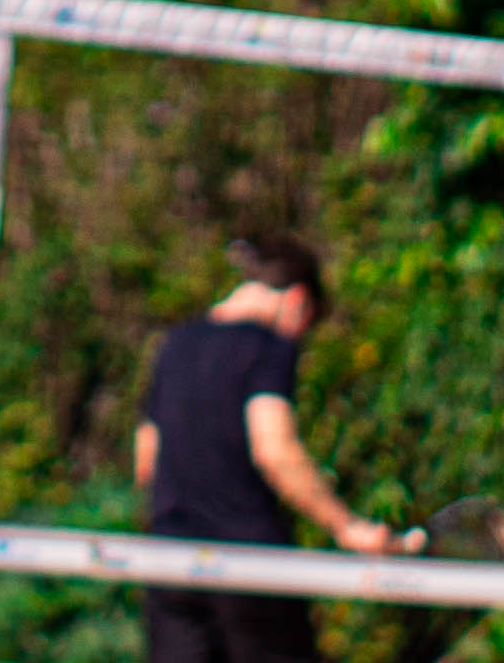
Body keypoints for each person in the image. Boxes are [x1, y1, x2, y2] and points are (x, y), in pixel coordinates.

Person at [134, 237, 416, 663]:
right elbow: (273, 448)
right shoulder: (268, 345)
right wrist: (346, 526)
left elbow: (146, 461)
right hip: (252, 566)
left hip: (170, 562)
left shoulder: (174, 344)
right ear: (298, 301)